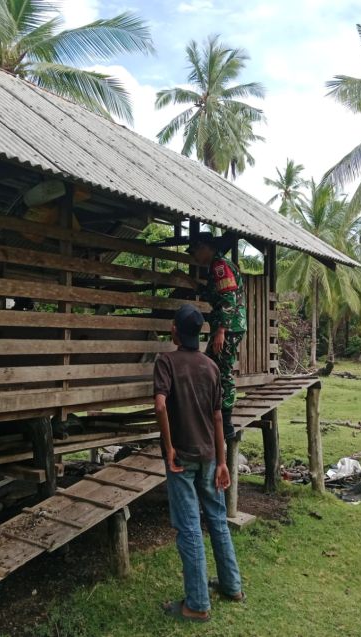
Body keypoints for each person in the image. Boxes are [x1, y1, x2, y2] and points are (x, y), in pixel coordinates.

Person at [154, 304, 245, 623]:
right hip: (209, 456)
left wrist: (168, 449)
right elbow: (219, 416)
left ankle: (197, 604)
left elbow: (160, 404)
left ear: (176, 331)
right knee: (217, 519)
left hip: (182, 458)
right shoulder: (211, 367)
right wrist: (222, 462)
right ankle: (232, 587)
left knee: (190, 526)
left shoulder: (166, 362)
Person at [188, 232, 247, 440]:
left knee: (222, 371)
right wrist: (190, 283)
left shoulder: (219, 266)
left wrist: (221, 330)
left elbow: (228, 299)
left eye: (195, 251)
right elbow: (214, 295)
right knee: (211, 367)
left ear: (205, 247)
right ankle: (217, 417)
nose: (194, 256)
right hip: (228, 326)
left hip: (228, 327)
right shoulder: (217, 266)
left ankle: (227, 424)